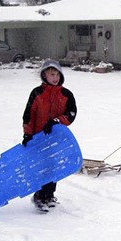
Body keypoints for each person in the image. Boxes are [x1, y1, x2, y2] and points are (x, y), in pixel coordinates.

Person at [22, 59, 77, 211]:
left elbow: (71, 114)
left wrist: (57, 121)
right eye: (51, 74)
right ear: (44, 75)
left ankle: (49, 195)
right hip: (39, 138)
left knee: (54, 168)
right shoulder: (37, 93)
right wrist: (27, 134)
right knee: (42, 168)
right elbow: (29, 115)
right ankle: (39, 196)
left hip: (56, 139)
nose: (55, 77)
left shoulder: (66, 94)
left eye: (57, 74)